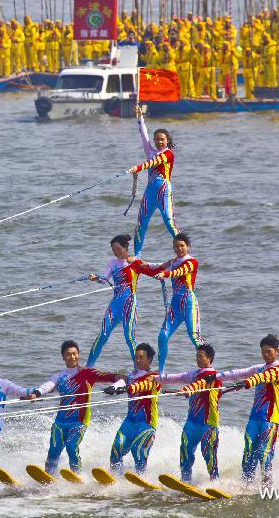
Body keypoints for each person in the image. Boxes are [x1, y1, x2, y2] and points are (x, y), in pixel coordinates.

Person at [25, 340, 121, 474]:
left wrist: (121, 380)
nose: (72, 357)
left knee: (71, 446)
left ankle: (77, 475)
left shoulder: (88, 373)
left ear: (79, 354)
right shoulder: (59, 376)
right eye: (69, 354)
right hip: (60, 421)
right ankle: (48, 476)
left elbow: (110, 376)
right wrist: (35, 394)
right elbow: (47, 386)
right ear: (63, 357)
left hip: (79, 421)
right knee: (53, 449)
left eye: (75, 354)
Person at [217, 334, 279, 489]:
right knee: (249, 452)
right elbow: (237, 373)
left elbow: (262, 377)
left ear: (277, 351)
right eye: (263, 352)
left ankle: (267, 487)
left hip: (270, 419)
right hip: (254, 418)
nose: (266, 355)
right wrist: (214, 377)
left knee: (264, 453)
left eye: (269, 351)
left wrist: (247, 382)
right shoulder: (259, 368)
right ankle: (246, 485)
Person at [86, 234, 157, 368]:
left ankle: (139, 370)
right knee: (103, 334)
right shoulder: (112, 263)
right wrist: (95, 278)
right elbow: (104, 279)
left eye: (118, 249)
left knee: (129, 337)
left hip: (130, 303)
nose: (116, 252)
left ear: (126, 248)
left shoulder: (134, 262)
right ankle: (88, 367)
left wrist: (165, 271)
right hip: (115, 304)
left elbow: (152, 269)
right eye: (113, 249)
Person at [156, 344, 221, 482]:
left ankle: (216, 482)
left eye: (201, 356)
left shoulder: (213, 376)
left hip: (208, 423)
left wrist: (187, 390)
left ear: (209, 358)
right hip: (192, 421)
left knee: (208, 453)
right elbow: (177, 377)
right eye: (197, 356)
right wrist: (158, 378)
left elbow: (199, 385)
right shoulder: (195, 373)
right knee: (185, 451)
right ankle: (186, 480)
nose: (197, 359)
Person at [146, 233, 204, 374]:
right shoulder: (173, 261)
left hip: (189, 304)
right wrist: (144, 265)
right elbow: (159, 266)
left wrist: (165, 275)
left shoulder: (192, 262)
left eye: (182, 246)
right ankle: (161, 373)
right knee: (162, 336)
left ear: (188, 247)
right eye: (176, 246)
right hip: (175, 306)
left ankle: (207, 368)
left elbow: (179, 272)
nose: (179, 249)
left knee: (194, 336)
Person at [127, 109, 180, 257]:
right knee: (141, 224)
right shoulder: (150, 151)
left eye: (162, 139)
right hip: (149, 193)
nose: (158, 141)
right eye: (156, 139)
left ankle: (183, 251)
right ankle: (137, 256)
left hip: (163, 191)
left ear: (167, 140)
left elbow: (153, 163)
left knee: (169, 222)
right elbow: (143, 136)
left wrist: (137, 168)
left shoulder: (168, 154)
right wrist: (140, 118)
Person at [103, 342, 160, 475]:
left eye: (141, 357)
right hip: (130, 421)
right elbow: (122, 381)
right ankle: (116, 477)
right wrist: (115, 387)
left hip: (147, 423)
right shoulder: (130, 375)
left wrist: (127, 388)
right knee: (116, 449)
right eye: (136, 357)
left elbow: (143, 385)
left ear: (149, 359)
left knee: (138, 450)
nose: (138, 360)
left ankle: (141, 478)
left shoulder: (155, 376)